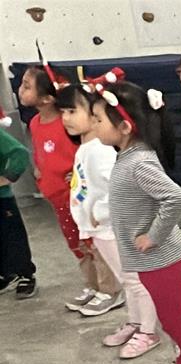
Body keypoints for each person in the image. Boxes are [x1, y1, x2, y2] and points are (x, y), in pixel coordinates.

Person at [92, 78, 181, 364]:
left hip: (161, 259)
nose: (94, 125)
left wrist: (153, 236)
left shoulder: (138, 162)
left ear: (124, 127)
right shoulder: (128, 156)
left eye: (99, 119)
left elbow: (175, 197)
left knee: (172, 318)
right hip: (152, 260)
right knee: (171, 316)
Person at [18, 64, 119, 309]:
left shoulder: (74, 132)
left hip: (75, 195)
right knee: (77, 243)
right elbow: (41, 151)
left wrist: (75, 176)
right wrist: (39, 170)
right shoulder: (34, 123)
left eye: (27, 86)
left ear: (46, 98)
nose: (20, 90)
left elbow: (85, 161)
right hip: (58, 197)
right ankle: (93, 285)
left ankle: (109, 289)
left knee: (94, 242)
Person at [57, 82, 125, 318]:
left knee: (105, 257)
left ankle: (111, 292)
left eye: (72, 111)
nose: (66, 118)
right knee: (92, 254)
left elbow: (114, 185)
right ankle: (97, 287)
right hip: (88, 218)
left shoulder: (101, 149)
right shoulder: (86, 147)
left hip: (103, 222)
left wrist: (101, 212)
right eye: (63, 112)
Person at [0, 104, 37, 298]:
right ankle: (6, 273)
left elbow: (19, 152)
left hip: (2, 199)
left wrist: (7, 176)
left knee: (12, 236)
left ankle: (25, 274)